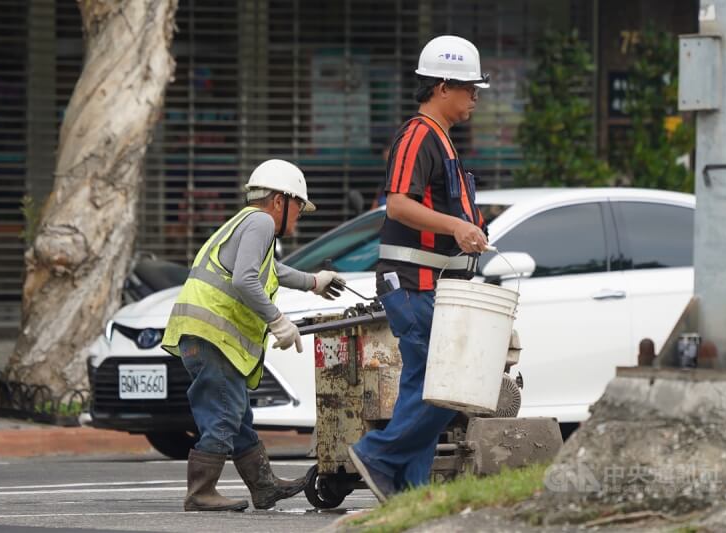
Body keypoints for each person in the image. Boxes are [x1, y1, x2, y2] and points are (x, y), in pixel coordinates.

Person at [348, 35, 490, 502]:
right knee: (447, 387)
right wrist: (456, 226)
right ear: (443, 86)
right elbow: (397, 205)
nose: (474, 98)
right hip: (412, 283)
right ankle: (378, 455)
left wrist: (468, 230)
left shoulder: (442, 140)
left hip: (431, 285)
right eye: (470, 88)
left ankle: (411, 490)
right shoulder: (418, 135)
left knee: (423, 386)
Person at [161, 159, 344, 512]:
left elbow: (270, 270)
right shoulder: (261, 221)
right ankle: (200, 493)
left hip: (203, 335)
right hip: (212, 335)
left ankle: (264, 487)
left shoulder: (244, 222)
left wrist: (314, 282)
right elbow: (245, 279)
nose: (298, 218)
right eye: (298, 209)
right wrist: (278, 321)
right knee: (224, 413)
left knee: (237, 414)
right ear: (280, 200)